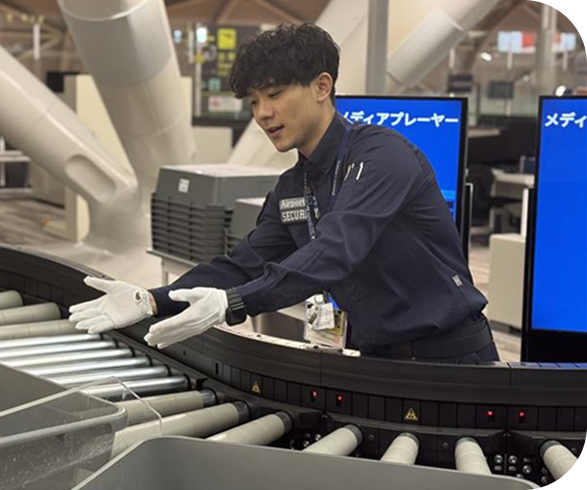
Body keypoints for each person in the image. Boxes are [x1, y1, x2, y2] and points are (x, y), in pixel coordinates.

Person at [70, 24, 499, 363]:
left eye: (274, 94)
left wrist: (232, 305)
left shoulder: (382, 155)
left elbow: (336, 250)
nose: (263, 114)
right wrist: (150, 300)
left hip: (454, 358)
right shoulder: (294, 186)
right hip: (375, 355)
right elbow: (242, 265)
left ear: (322, 86)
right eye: (253, 101)